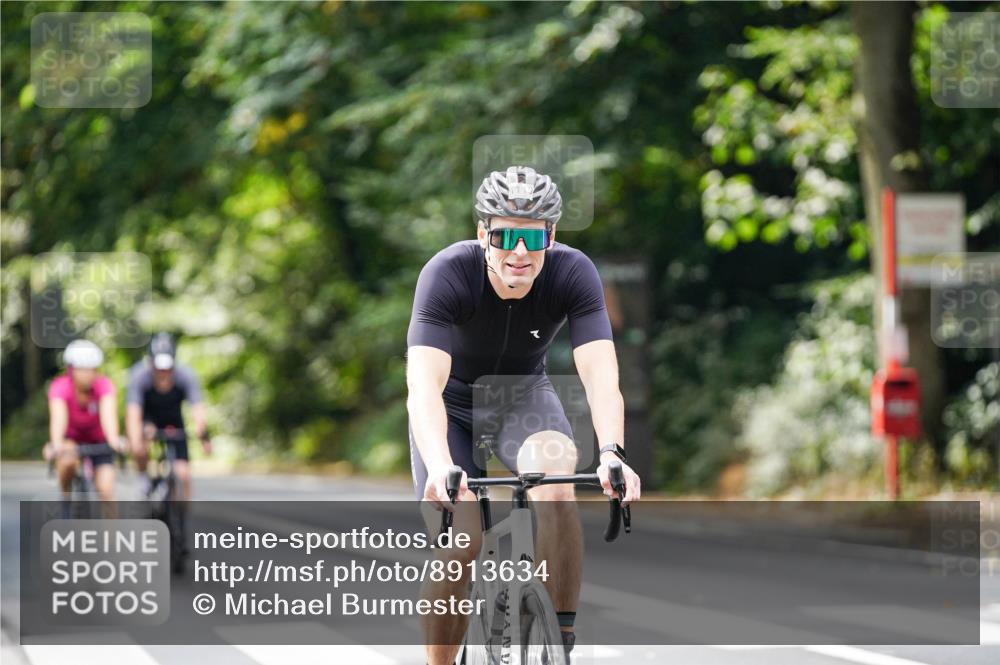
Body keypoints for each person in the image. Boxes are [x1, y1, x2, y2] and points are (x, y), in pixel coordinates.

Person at [407, 165, 642, 664]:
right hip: (450, 407)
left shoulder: (573, 272)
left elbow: (601, 374)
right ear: (482, 235)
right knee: (461, 541)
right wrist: (439, 462)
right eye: (504, 235)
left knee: (556, 482)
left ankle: (557, 639)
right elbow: (422, 386)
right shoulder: (447, 273)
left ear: (551, 237)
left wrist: (612, 452)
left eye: (532, 236)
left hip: (522, 398)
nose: (519, 251)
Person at [125, 332, 210, 501]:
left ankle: (181, 516)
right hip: (149, 419)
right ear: (150, 363)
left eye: (167, 369)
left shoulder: (186, 375)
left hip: (174, 421)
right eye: (159, 369)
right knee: (142, 443)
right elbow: (133, 412)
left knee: (183, 473)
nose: (163, 373)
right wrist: (135, 443)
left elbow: (197, 408)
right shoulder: (139, 376)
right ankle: (144, 479)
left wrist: (204, 436)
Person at [46, 339, 123, 502]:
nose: (87, 374)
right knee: (66, 460)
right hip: (72, 440)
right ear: (71, 369)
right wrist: (56, 444)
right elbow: (58, 419)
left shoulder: (104, 386)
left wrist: (115, 440)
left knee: (107, 489)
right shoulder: (60, 387)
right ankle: (66, 498)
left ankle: (111, 528)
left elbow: (109, 416)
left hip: (98, 441)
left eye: (91, 369)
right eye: (82, 369)